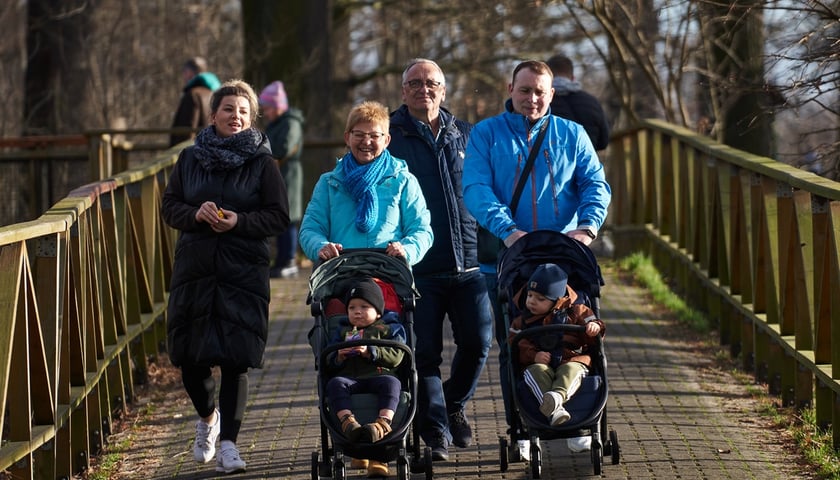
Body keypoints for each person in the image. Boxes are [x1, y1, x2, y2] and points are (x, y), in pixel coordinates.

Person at [462, 60, 611, 455]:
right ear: (510, 88)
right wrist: (508, 230)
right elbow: (475, 187)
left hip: (565, 257)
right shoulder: (486, 134)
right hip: (507, 256)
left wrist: (587, 227)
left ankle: (580, 417)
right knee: (516, 343)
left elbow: (594, 183)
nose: (532, 99)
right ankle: (524, 427)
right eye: (525, 90)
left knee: (577, 337)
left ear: (552, 94)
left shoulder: (572, 134)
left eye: (540, 92)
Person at [161, 79, 289, 474]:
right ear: (214, 113)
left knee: (237, 360)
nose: (236, 117)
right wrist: (195, 215)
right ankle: (207, 419)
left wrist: (239, 221)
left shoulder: (263, 163)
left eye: (243, 112)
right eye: (229, 109)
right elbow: (170, 206)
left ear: (252, 119)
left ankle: (230, 445)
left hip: (243, 269)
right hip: (195, 268)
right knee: (189, 358)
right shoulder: (189, 159)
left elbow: (278, 216)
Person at [387, 58, 493, 460]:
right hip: (418, 268)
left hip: (469, 265)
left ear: (443, 90)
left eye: (431, 83)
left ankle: (452, 405)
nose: (423, 89)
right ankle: (436, 435)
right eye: (414, 83)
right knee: (425, 354)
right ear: (403, 91)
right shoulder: (390, 137)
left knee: (478, 343)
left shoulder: (467, 135)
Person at [299, 100, 433, 267]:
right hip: (339, 271)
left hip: (388, 273)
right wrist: (321, 247)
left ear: (387, 140)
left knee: (365, 292)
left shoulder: (403, 181)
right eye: (359, 135)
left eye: (375, 136)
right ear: (347, 137)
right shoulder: (328, 183)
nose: (366, 141)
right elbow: (310, 229)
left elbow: (421, 230)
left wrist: (406, 250)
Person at [323, 278, 406, 478]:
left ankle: (382, 424)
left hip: (378, 375)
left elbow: (397, 357)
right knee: (335, 384)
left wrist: (371, 352)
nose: (357, 311)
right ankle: (348, 423)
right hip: (350, 379)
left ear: (378, 311)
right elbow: (327, 361)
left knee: (392, 382)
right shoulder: (342, 331)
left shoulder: (388, 329)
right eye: (351, 307)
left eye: (364, 307)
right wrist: (339, 356)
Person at [508, 264, 605, 426]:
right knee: (535, 370)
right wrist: (534, 355)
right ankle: (556, 409)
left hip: (572, 360)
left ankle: (557, 398)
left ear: (557, 301)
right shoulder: (521, 321)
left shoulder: (577, 311)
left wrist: (595, 327)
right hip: (539, 364)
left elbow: (595, 331)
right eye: (530, 295)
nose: (532, 301)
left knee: (571, 369)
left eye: (540, 299)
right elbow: (514, 343)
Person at [259, 80, 305, 278]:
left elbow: (284, 147)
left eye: (268, 108)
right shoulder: (277, 124)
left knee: (288, 217)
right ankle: (279, 261)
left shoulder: (290, 123)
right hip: (278, 173)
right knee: (279, 216)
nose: (266, 112)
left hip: (288, 174)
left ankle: (289, 260)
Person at [545, 54, 611, 151]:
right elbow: (603, 142)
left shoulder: (540, 103)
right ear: (572, 77)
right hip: (588, 162)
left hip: (552, 163)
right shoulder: (592, 102)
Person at [170, 56, 222, 146]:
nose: (184, 76)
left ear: (189, 73)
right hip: (214, 147)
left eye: (184, 72)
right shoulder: (219, 95)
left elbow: (187, 130)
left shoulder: (193, 94)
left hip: (196, 151)